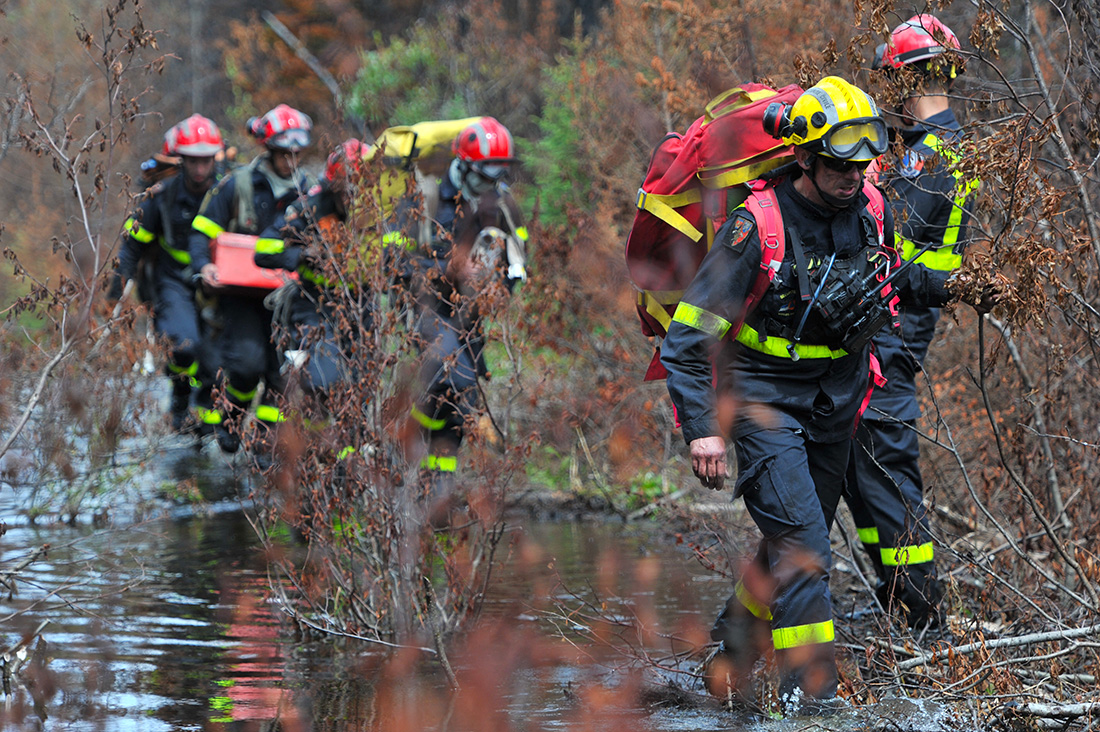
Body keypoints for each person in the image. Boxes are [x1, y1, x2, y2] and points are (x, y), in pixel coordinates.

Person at [661, 77, 967, 713]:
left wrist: (969, 284)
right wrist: (702, 430)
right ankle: (813, 706)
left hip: (837, 405)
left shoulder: (876, 207)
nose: (853, 178)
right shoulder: (757, 228)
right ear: (804, 158)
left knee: (793, 542)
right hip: (763, 402)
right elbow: (688, 341)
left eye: (862, 165)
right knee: (804, 553)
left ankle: (730, 656)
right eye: (838, 167)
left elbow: (902, 278)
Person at [842, 14, 978, 632]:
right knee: (863, 472)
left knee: (889, 475)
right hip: (893, 329)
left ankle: (926, 624)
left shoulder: (930, 158)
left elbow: (886, 245)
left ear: (906, 79)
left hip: (894, 332)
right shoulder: (930, 150)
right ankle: (900, 604)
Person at [389, 117, 528, 503]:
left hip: (470, 317)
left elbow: (518, 264)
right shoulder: (425, 197)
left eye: (497, 175)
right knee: (459, 383)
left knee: (448, 397)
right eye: (484, 175)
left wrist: (496, 286)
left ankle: (439, 479)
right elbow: (394, 262)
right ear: (464, 166)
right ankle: (409, 443)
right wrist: (443, 270)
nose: (491, 184)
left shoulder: (501, 204)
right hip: (425, 310)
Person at [188, 104, 316, 454]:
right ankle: (230, 421)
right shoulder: (238, 184)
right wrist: (205, 266)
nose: (290, 160)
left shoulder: (311, 193)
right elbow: (202, 232)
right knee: (245, 364)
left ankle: (263, 442)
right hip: (240, 296)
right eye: (282, 152)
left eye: (296, 153)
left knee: (281, 373)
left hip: (290, 300)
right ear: (269, 149)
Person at [112, 114, 225, 432]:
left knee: (216, 359)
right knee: (184, 345)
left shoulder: (227, 192)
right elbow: (131, 246)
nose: (200, 169)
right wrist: (115, 290)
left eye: (206, 161)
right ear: (182, 160)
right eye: (193, 161)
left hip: (219, 283)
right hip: (173, 279)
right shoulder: (162, 197)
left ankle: (206, 416)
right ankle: (179, 395)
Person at [255, 139, 373, 410]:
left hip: (364, 306)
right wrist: (302, 254)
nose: (351, 198)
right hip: (315, 305)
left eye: (358, 190)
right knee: (322, 379)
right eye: (345, 191)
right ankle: (312, 443)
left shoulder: (380, 212)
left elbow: (400, 251)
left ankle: (349, 448)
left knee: (361, 387)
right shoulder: (309, 208)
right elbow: (263, 249)